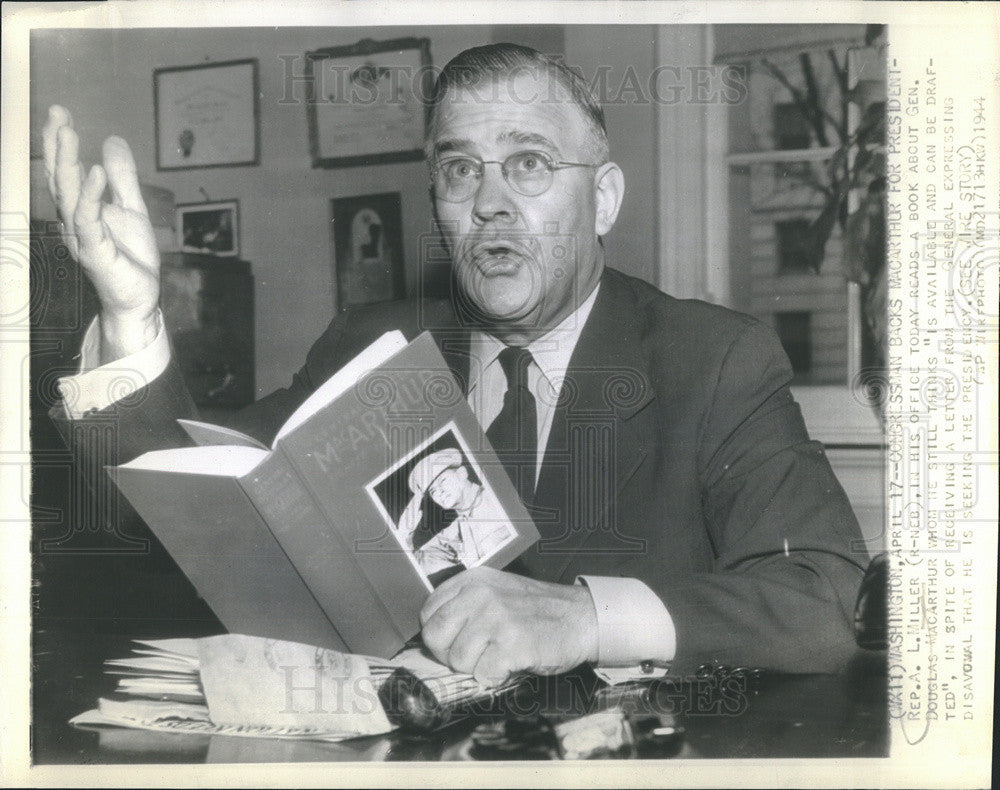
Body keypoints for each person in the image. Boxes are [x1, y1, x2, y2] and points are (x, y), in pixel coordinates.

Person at [42, 42, 868, 685]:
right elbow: (189, 494)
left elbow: (821, 597)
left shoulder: (713, 359)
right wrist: (130, 318)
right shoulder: (371, 347)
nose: (490, 199)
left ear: (604, 198)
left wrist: (584, 618)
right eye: (459, 169)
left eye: (530, 163)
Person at [396, 448, 515, 584]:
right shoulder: (455, 530)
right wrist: (406, 536)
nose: (439, 492)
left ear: (462, 473)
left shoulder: (498, 498)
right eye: (433, 491)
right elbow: (420, 564)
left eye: (443, 481)